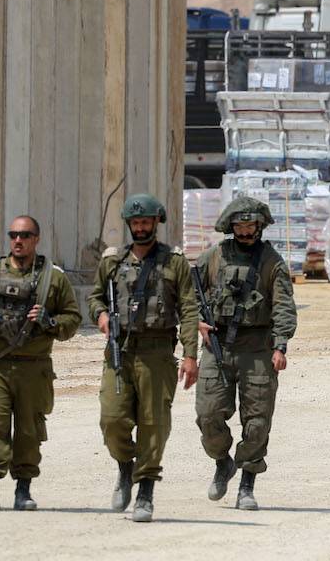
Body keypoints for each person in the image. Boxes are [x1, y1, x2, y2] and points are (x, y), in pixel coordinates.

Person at [0, 215, 82, 511]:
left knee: (29, 429)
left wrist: (49, 321)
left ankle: (23, 490)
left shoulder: (53, 277)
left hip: (34, 366)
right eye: (13, 235)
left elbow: (73, 319)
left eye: (24, 235)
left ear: (36, 239)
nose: (18, 240)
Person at [87, 193, 200, 523]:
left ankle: (145, 490)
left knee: (153, 424)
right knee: (112, 418)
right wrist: (101, 315)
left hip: (157, 353)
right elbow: (95, 297)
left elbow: (189, 310)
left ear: (156, 223)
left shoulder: (173, 262)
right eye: (135, 222)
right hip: (119, 351)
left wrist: (190, 355)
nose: (140, 227)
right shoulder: (113, 261)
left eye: (146, 221)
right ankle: (126, 467)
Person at [194, 195, 297, 510]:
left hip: (257, 348)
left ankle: (247, 485)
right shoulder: (212, 257)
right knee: (208, 415)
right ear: (231, 225)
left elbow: (283, 307)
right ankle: (222, 461)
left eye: (250, 224)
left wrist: (280, 345)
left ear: (259, 225)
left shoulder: (272, 263)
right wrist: (197, 321)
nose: (245, 230)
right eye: (239, 224)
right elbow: (190, 295)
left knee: (256, 422)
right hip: (217, 345)